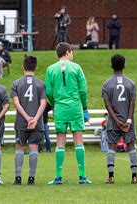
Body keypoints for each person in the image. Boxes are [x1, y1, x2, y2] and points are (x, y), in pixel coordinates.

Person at [46, 43, 92, 185]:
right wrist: (84, 108)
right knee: (78, 141)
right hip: (75, 107)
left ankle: (58, 177)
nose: (72, 54)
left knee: (60, 142)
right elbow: (83, 90)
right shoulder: (76, 67)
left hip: (60, 107)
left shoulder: (51, 69)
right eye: (71, 52)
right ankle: (82, 176)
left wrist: (54, 105)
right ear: (67, 52)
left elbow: (48, 91)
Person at [102, 54, 137, 184]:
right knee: (131, 146)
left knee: (111, 147)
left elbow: (107, 105)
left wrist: (117, 121)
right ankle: (134, 176)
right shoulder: (131, 84)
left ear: (112, 66)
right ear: (124, 65)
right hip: (128, 122)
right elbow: (132, 103)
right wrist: (128, 121)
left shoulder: (106, 84)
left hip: (113, 121)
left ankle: (111, 176)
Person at [11, 55, 47, 185]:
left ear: (22, 67)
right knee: (33, 147)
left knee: (20, 146)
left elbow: (16, 102)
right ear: (36, 68)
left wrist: (27, 118)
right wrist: (35, 119)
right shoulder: (41, 84)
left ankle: (18, 177)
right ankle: (31, 178)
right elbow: (43, 103)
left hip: (21, 121)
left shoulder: (16, 83)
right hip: (36, 122)